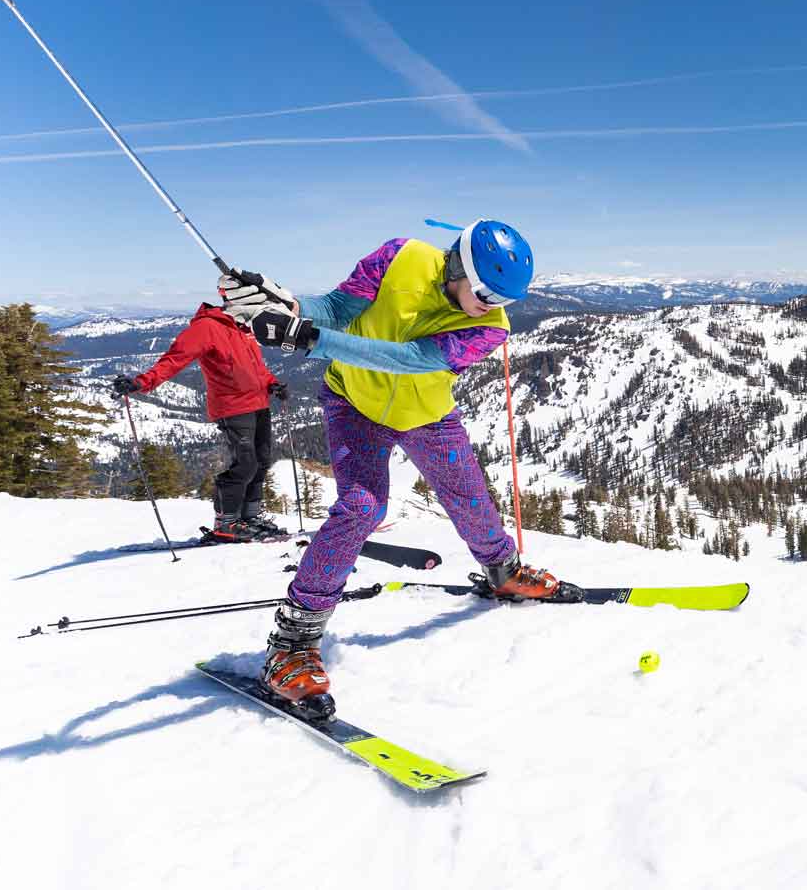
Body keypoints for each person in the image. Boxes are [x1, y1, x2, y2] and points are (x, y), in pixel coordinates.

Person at [221, 219, 575, 717]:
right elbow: (340, 309)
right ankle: (293, 641)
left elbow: (408, 359)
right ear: (459, 267)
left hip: (427, 416)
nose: (493, 305)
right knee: (362, 508)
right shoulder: (399, 256)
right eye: (485, 292)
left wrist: (308, 338)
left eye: (503, 298)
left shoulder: (488, 327)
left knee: (469, 497)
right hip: (353, 404)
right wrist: (293, 307)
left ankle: (503, 570)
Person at [112, 303, 289, 542]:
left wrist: (272, 383)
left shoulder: (242, 327)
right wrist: (141, 382)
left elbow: (255, 368)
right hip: (233, 406)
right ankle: (227, 523)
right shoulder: (206, 327)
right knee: (245, 464)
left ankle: (250, 517)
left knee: (261, 461)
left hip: (259, 403)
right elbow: (175, 359)